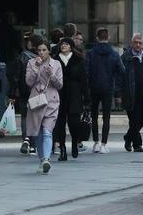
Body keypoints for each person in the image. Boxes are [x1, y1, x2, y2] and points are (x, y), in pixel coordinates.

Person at [85, 28, 125, 153]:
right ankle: (103, 144)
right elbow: (122, 71)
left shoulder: (91, 53)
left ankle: (96, 142)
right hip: (108, 88)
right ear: (108, 38)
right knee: (106, 117)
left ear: (97, 38)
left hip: (94, 87)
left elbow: (86, 72)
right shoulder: (114, 54)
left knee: (94, 115)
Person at [25, 41, 62, 173]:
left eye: (44, 50)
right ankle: (42, 160)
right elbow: (29, 82)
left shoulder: (56, 64)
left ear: (49, 51)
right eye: (39, 50)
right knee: (38, 132)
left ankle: (46, 159)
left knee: (47, 131)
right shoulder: (31, 63)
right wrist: (35, 68)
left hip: (51, 101)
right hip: (37, 100)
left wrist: (52, 75)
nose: (41, 53)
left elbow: (59, 85)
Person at [53, 37, 90, 161]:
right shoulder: (55, 59)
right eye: (62, 44)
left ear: (71, 46)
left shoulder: (78, 60)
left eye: (66, 44)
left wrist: (86, 99)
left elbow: (84, 80)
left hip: (75, 94)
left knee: (74, 123)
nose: (63, 46)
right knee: (60, 124)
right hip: (59, 94)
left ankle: (75, 142)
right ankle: (62, 149)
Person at [14, 36, 40, 154]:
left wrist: (13, 91)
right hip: (36, 90)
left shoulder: (23, 57)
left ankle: (26, 139)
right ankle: (34, 144)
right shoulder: (42, 57)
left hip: (24, 89)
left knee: (25, 115)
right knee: (35, 116)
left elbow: (17, 75)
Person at [121, 33, 143, 151]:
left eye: (140, 43)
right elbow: (119, 76)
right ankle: (136, 145)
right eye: (136, 42)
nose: (138, 45)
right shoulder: (125, 57)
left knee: (141, 120)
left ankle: (128, 137)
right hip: (130, 93)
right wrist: (118, 94)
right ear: (132, 43)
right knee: (134, 120)